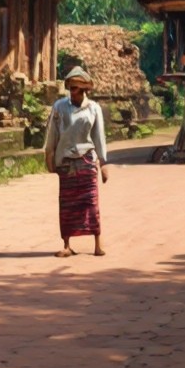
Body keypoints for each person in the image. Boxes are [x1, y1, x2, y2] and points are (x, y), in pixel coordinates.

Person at [45, 65, 109, 257]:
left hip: (87, 161)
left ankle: (97, 243)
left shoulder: (94, 108)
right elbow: (52, 133)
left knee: (91, 203)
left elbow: (99, 137)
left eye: (75, 89)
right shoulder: (59, 107)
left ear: (83, 90)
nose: (72, 92)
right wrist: (49, 156)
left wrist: (103, 163)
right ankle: (66, 244)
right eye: (70, 88)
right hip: (66, 162)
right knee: (67, 205)